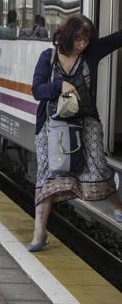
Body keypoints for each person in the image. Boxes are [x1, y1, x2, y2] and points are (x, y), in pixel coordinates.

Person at [28, 14, 122, 251]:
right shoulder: (48, 57)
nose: (83, 44)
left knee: (98, 165)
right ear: (68, 36)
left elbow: (119, 38)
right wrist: (60, 85)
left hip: (86, 121)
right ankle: (39, 235)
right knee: (47, 176)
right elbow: (37, 90)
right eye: (79, 39)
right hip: (52, 125)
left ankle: (119, 208)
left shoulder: (91, 51)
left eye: (87, 39)